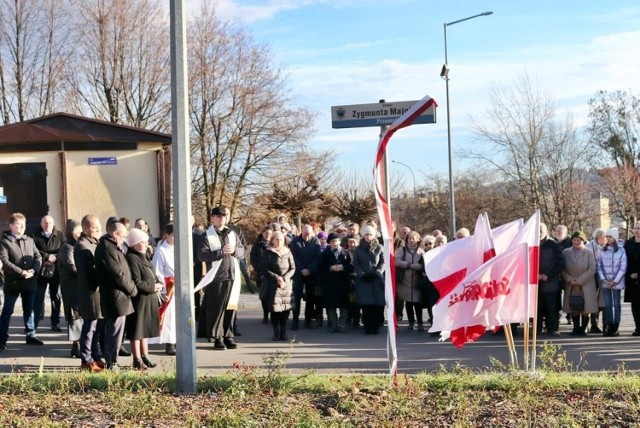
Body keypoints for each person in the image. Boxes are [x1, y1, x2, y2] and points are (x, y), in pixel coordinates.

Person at [197, 206, 244, 351]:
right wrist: (220, 252)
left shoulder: (232, 233)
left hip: (232, 275)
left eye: (224, 216)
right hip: (217, 277)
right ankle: (217, 337)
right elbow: (202, 255)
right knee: (217, 309)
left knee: (231, 307)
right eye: (219, 216)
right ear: (213, 218)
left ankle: (229, 335)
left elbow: (242, 250)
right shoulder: (207, 235)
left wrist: (235, 250)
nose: (222, 218)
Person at [95, 221, 138, 370]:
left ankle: (112, 360)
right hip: (115, 296)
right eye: (123, 236)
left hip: (120, 296)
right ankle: (111, 362)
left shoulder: (113, 247)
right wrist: (132, 289)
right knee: (114, 332)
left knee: (117, 331)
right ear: (115, 234)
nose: (124, 239)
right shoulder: (107, 248)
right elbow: (117, 274)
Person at [0, 213, 44, 350]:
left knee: (29, 310)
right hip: (13, 282)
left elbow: (38, 256)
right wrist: (21, 272)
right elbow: (5, 261)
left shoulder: (29, 240)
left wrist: (33, 271)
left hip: (29, 281)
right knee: (8, 310)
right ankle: (2, 339)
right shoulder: (5, 242)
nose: (22, 227)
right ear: (11, 226)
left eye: (23, 224)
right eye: (19, 224)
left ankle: (31, 335)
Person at [125, 228, 163, 370]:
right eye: (143, 242)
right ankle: (137, 359)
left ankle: (145, 355)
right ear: (135, 244)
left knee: (145, 329)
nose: (147, 244)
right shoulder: (131, 257)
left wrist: (158, 283)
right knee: (137, 330)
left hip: (150, 298)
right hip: (140, 299)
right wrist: (153, 287)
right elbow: (136, 280)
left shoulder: (144, 255)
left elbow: (152, 272)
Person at [75, 215, 104, 372]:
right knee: (90, 326)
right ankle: (86, 359)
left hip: (98, 292)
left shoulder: (95, 243)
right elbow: (87, 272)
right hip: (90, 292)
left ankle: (96, 355)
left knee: (98, 326)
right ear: (85, 229)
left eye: (99, 228)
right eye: (95, 228)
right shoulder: (82, 246)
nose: (98, 231)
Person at [32, 215, 66, 332]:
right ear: (41, 224)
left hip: (55, 272)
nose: (47, 225)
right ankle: (34, 324)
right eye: (45, 223)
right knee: (38, 298)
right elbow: (33, 250)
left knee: (55, 298)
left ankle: (55, 322)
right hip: (41, 272)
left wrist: (55, 256)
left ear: (53, 224)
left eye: (50, 223)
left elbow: (64, 249)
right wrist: (47, 256)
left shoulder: (60, 235)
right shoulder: (34, 235)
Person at [261, 231, 295, 341]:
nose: (279, 241)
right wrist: (277, 278)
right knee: (275, 310)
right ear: (273, 240)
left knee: (285, 310)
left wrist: (284, 278)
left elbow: (293, 268)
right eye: (276, 239)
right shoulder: (268, 252)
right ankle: (276, 332)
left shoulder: (288, 252)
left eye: (281, 239)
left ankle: (283, 332)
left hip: (286, 285)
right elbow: (264, 268)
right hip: (273, 284)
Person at [561, 231, 597, 336]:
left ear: (583, 241)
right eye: (574, 240)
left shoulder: (589, 252)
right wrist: (569, 279)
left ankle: (584, 328)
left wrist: (580, 280)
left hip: (586, 284)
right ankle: (576, 328)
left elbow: (592, 268)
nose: (576, 242)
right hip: (571, 284)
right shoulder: (566, 252)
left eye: (579, 240)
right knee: (574, 307)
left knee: (586, 308)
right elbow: (562, 268)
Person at [57, 219, 83, 358]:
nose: (81, 234)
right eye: (78, 232)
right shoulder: (67, 247)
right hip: (71, 287)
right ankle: (76, 345)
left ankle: (79, 345)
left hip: (79, 286)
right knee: (75, 317)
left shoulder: (79, 246)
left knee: (81, 316)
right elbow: (72, 267)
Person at [318, 232, 353, 333]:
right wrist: (330, 268)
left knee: (344, 305)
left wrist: (343, 267)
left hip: (343, 282)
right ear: (329, 243)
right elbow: (320, 268)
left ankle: (342, 325)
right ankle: (334, 325)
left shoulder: (345, 253)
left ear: (340, 241)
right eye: (332, 241)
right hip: (330, 283)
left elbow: (351, 267)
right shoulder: (324, 254)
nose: (335, 243)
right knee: (331, 305)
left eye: (336, 241)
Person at [353, 226, 385, 334]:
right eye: (366, 234)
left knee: (376, 304)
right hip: (364, 280)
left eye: (370, 234)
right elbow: (356, 263)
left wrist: (378, 272)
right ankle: (367, 326)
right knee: (366, 304)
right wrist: (362, 274)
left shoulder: (379, 247)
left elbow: (383, 261)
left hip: (376, 279)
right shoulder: (358, 249)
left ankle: (375, 326)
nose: (368, 236)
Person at [289, 224, 321, 330]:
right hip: (298, 273)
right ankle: (295, 320)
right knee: (296, 297)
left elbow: (317, 258)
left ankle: (308, 320)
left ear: (312, 233)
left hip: (311, 273)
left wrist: (309, 270)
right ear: (301, 232)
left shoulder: (316, 241)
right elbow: (294, 257)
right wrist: (302, 269)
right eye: (305, 234)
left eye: (309, 234)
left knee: (310, 298)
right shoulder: (295, 241)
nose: (307, 236)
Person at [151, 223, 176, 355]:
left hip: (179, 285)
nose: (175, 238)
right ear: (166, 235)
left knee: (179, 315)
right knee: (169, 317)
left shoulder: (179, 249)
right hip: (169, 285)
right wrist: (162, 291)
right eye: (173, 236)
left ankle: (178, 340)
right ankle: (170, 343)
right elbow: (157, 272)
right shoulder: (161, 251)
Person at [598, 227, 627, 337]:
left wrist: (615, 281)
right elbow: (599, 266)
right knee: (608, 304)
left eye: (610, 237)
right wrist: (604, 279)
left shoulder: (621, 250)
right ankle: (609, 324)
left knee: (616, 304)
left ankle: (616, 325)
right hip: (605, 282)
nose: (608, 239)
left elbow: (623, 267)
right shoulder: (603, 250)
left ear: (615, 237)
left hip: (616, 283)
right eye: (607, 237)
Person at [395, 231, 425, 331]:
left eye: (413, 238)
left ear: (418, 239)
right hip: (405, 279)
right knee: (408, 302)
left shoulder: (421, 251)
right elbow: (397, 261)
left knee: (417, 302)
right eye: (409, 238)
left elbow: (425, 263)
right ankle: (411, 322)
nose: (411, 240)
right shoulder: (401, 250)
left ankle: (420, 322)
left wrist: (420, 266)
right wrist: (409, 265)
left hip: (417, 279)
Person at [537, 223, 564, 336]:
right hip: (536, 283)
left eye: (540, 231)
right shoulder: (531, 244)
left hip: (551, 283)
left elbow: (559, 263)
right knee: (537, 307)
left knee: (552, 307)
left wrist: (547, 275)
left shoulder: (554, 245)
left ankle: (552, 328)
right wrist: (536, 275)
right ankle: (537, 329)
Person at [250, 225, 273, 324]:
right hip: (261, 273)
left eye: (270, 234)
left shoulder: (274, 244)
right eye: (266, 233)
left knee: (272, 296)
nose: (268, 235)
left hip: (273, 273)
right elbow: (253, 258)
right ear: (262, 233)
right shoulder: (257, 245)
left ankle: (273, 315)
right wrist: (261, 267)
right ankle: (265, 315)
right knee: (264, 295)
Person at [587, 228, 607, 333]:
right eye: (604, 237)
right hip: (592, 275)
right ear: (598, 238)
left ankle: (604, 325)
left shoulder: (607, 246)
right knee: (592, 299)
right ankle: (593, 324)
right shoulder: (589, 247)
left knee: (602, 300)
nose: (606, 239)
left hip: (604, 275)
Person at [625, 222, 640, 336]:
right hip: (631, 279)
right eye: (635, 228)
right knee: (635, 304)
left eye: (639, 228)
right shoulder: (628, 243)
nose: (636, 230)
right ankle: (637, 327)